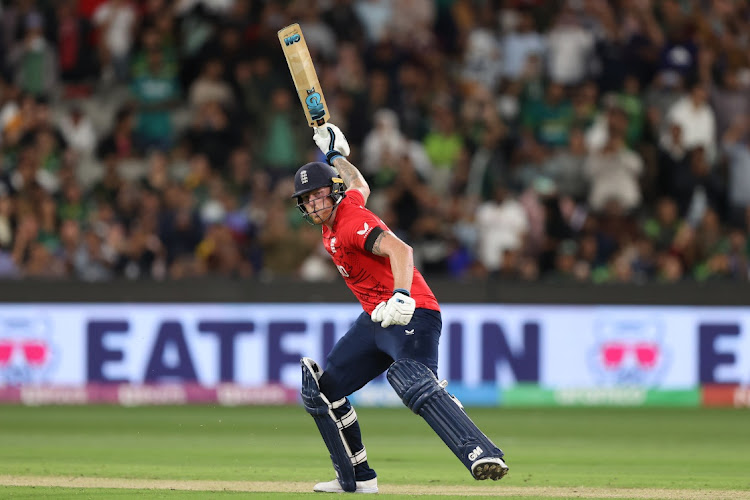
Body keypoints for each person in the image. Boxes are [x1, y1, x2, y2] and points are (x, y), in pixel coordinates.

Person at [292, 123, 509, 494]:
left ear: (333, 193)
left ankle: (481, 453)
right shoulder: (343, 210)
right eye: (307, 199)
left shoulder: (351, 223)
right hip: (376, 319)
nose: (313, 204)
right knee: (322, 392)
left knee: (409, 380)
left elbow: (400, 250)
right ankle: (357, 479)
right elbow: (361, 186)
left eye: (319, 195)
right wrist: (337, 156)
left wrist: (402, 294)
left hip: (413, 311)